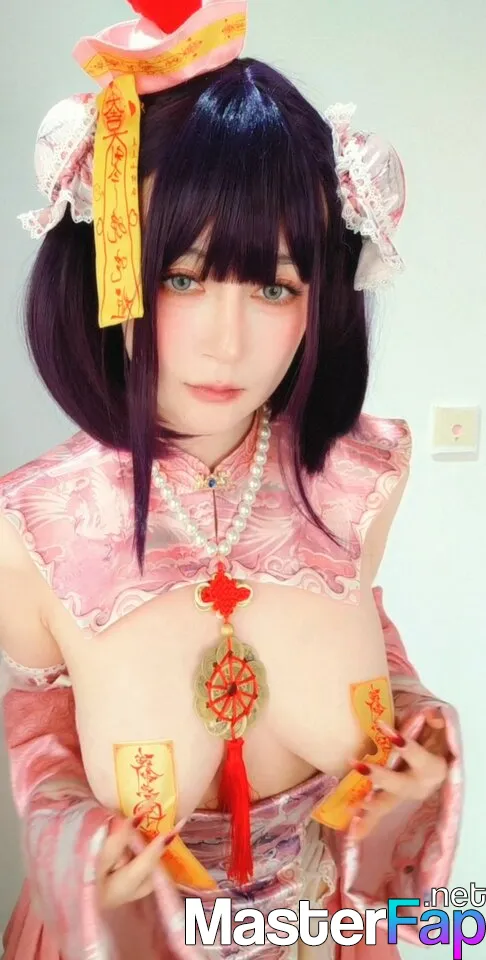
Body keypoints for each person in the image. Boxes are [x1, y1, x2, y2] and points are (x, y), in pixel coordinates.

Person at [0, 1, 462, 958]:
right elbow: (44, 747)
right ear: (112, 268)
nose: (228, 341)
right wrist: (85, 854)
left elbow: (367, 643)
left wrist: (416, 743)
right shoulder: (29, 528)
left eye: (274, 286)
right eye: (182, 276)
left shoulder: (365, 477)